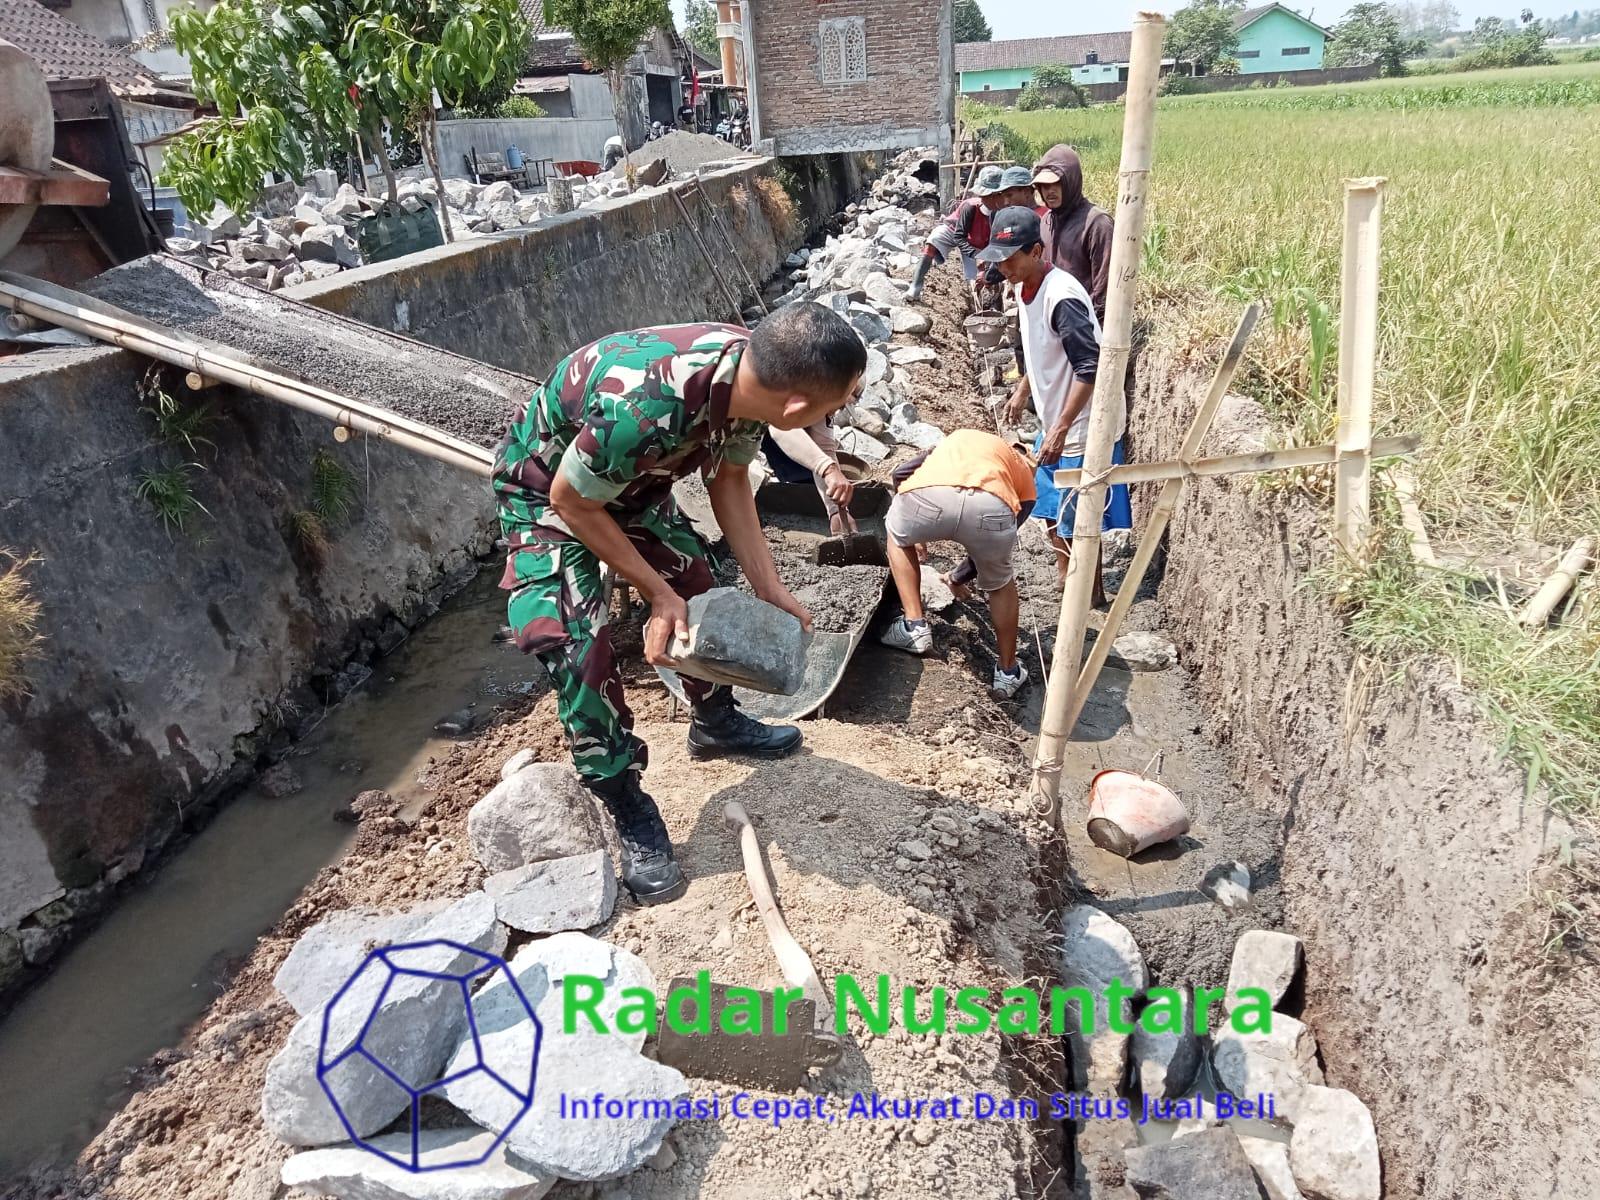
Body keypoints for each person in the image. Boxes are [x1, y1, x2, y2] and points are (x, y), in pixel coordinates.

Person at [492, 305, 866, 905]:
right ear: (796, 408)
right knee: (578, 649)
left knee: (699, 586)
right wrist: (653, 592)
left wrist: (766, 586)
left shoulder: (752, 373)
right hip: (548, 495)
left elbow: (729, 478)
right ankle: (625, 800)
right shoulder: (643, 406)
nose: (830, 422)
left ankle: (714, 721)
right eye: (831, 410)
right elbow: (572, 501)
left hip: (629, 486)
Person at [978, 207, 1130, 606]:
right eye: (1000, 258)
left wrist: (1061, 428)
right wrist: (1024, 390)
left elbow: (1089, 366)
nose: (1004, 267)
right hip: (1057, 415)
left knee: (1082, 515)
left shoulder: (1062, 296)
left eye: (1011, 258)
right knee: (1048, 505)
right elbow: (1043, 348)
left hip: (1083, 425)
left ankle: (1090, 596)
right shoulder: (1022, 284)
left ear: (1036, 251)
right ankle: (1066, 576)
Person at [878, 429, 1036, 700]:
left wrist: (913, 531)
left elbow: (901, 473)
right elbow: (992, 553)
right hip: (992, 507)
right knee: (1000, 583)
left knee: (896, 536)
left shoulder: (959, 439)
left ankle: (914, 627)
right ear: (1023, 455)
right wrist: (958, 578)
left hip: (930, 495)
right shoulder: (1025, 478)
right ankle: (1008, 672)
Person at [1033, 145, 1113, 320]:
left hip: (1082, 324)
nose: (1050, 191)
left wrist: (1086, 327)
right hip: (1052, 322)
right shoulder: (1046, 221)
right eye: (1044, 185)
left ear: (1072, 182)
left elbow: (1103, 289)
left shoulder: (1097, 223)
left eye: (1057, 183)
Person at [905, 165, 1005, 306]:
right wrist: (974, 255)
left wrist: (985, 266)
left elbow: (998, 246)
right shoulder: (970, 207)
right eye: (984, 195)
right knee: (934, 239)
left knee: (976, 279)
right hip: (955, 231)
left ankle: (990, 305)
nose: (985, 198)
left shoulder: (1003, 214)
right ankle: (916, 285)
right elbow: (959, 236)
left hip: (979, 243)